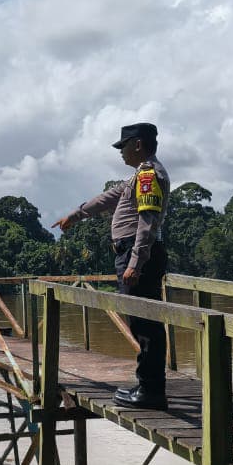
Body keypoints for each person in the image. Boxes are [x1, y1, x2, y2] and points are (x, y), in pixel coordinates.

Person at [52, 122, 170, 409]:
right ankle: (148, 386)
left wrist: (136, 262)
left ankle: (151, 391)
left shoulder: (148, 175)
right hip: (132, 253)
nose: (121, 152)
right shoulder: (138, 176)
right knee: (141, 321)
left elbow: (148, 222)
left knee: (145, 323)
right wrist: (75, 215)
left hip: (136, 253)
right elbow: (108, 198)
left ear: (138, 145)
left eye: (124, 146)